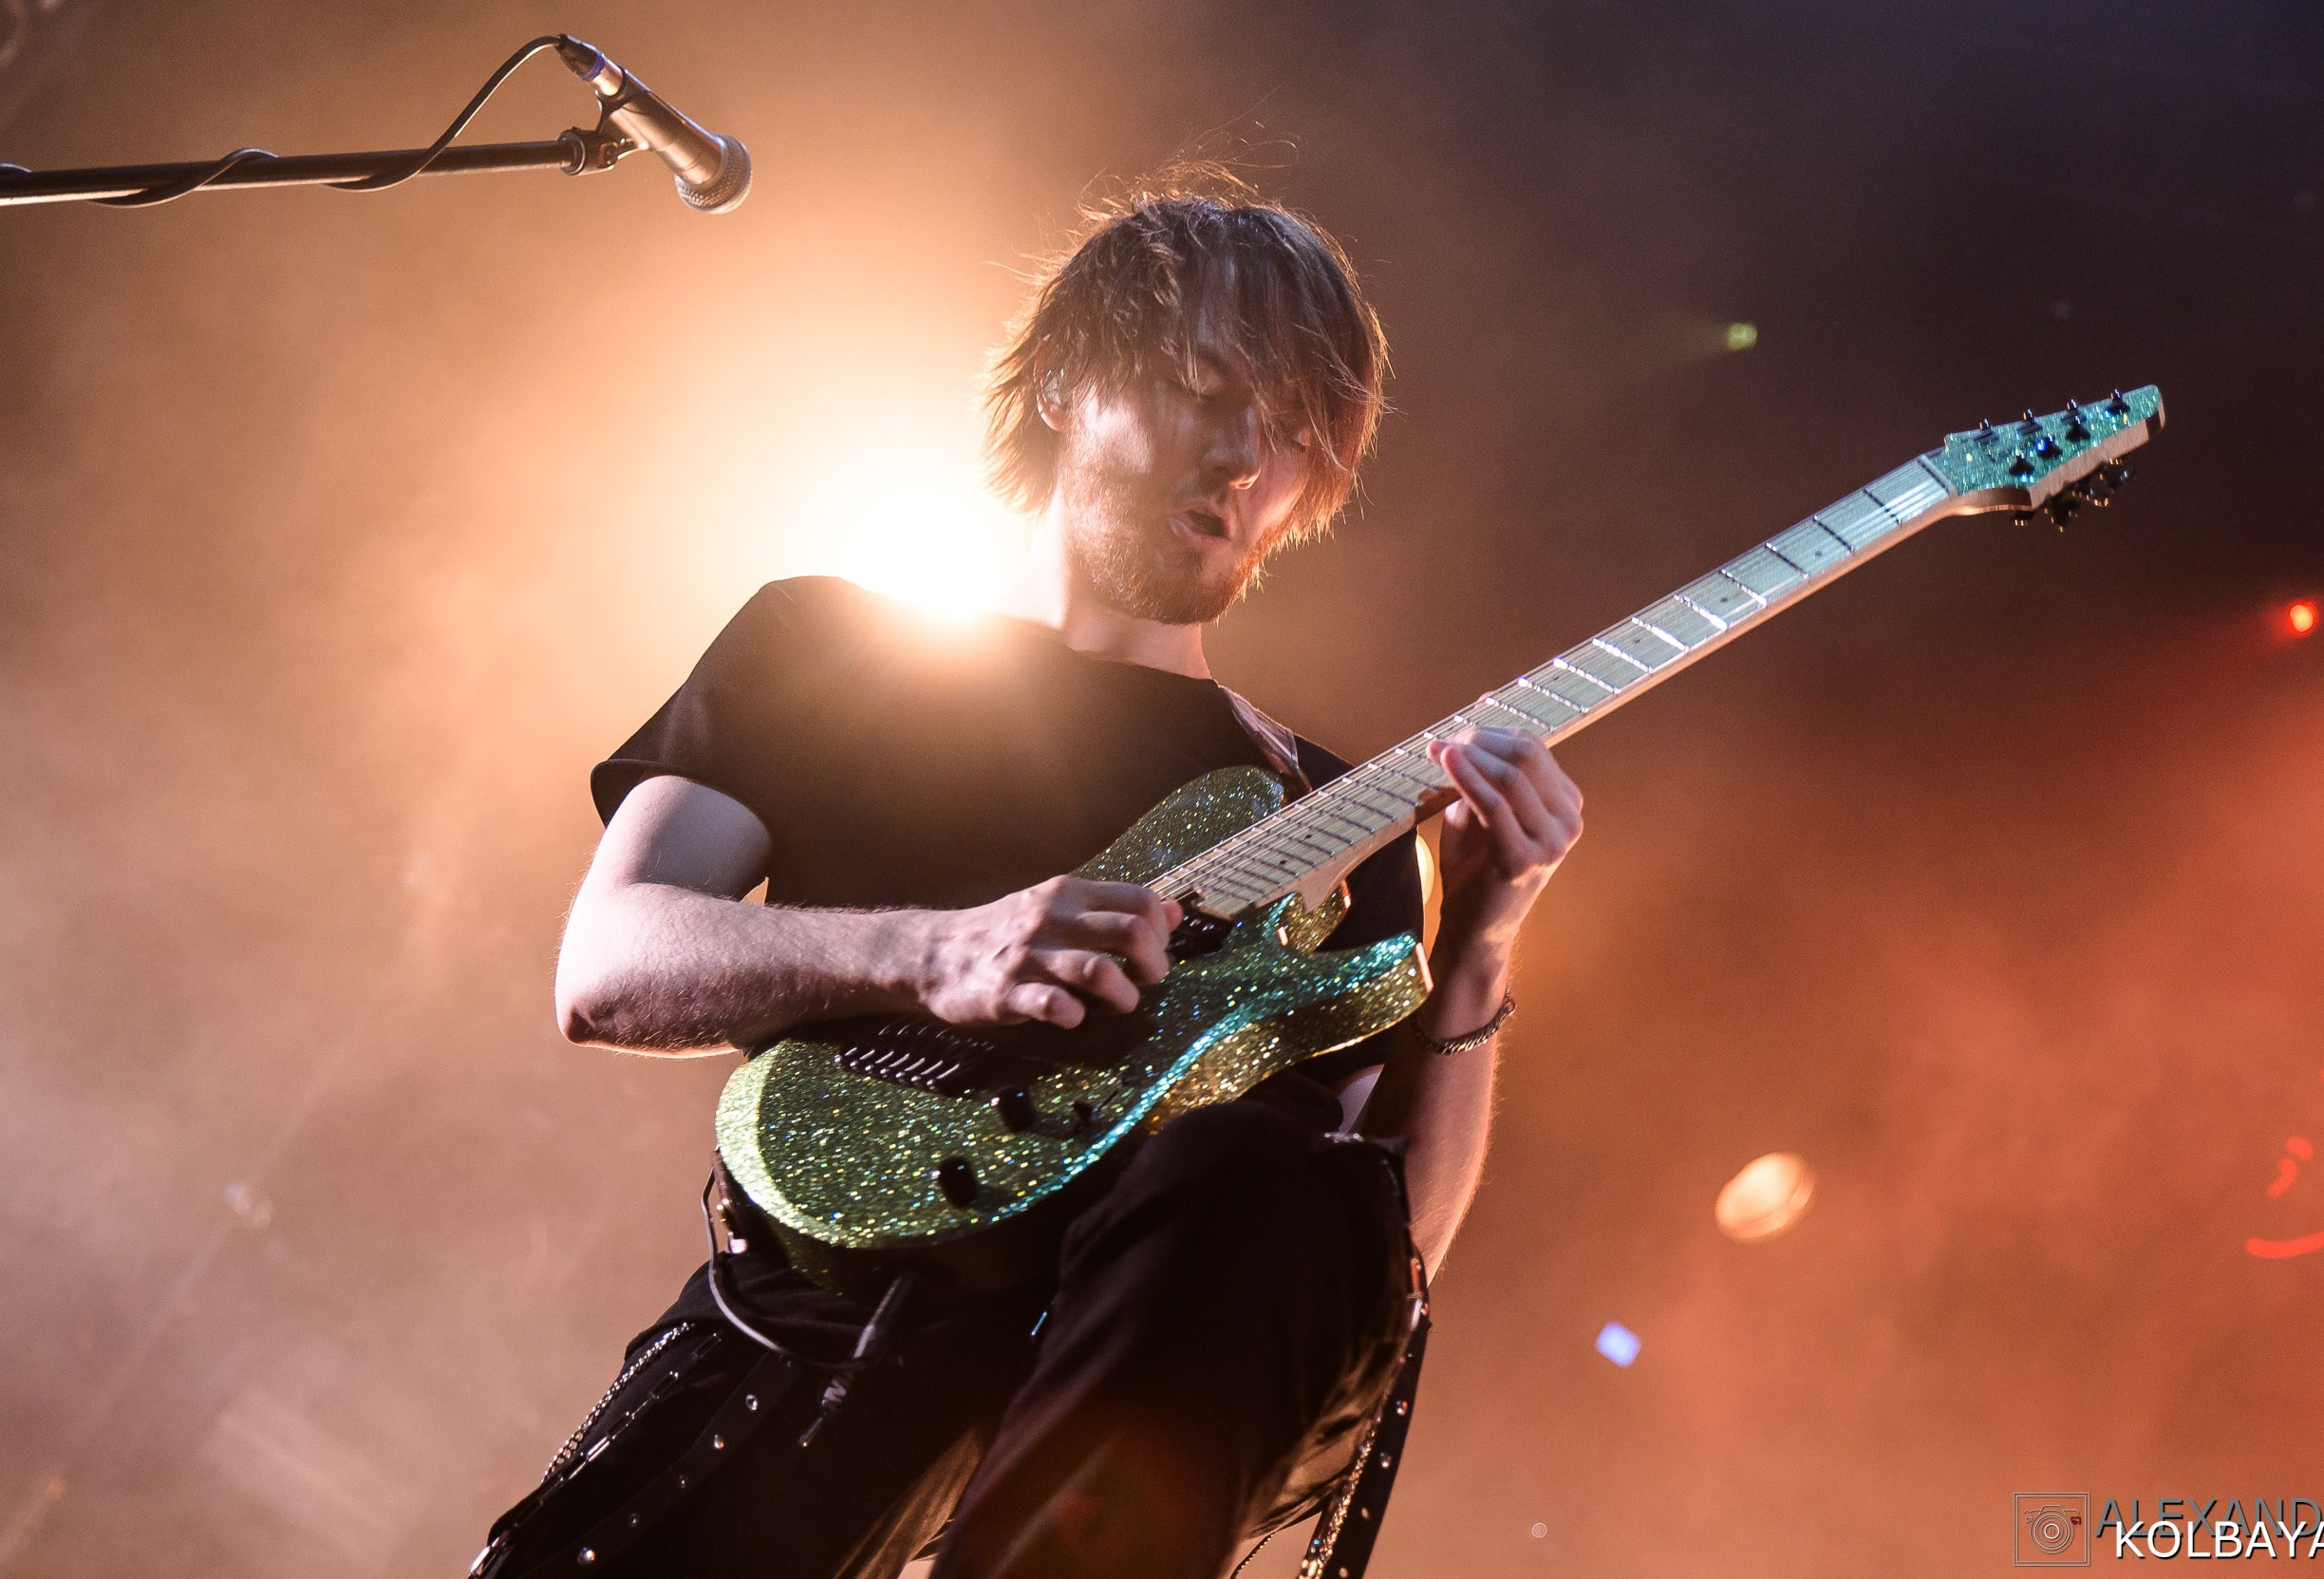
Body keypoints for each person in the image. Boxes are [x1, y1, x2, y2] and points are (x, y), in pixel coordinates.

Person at [472, 168, 1584, 1579]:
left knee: (1270, 1167)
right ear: (1067, 381)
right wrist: (935, 953)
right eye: (1203, 381)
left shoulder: (1345, 821)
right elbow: (609, 966)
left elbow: (1381, 1257)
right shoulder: (827, 648)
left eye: (1298, 431)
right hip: (779, 1397)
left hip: (1109, 1485)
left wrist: (1480, 951)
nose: (1248, 455)